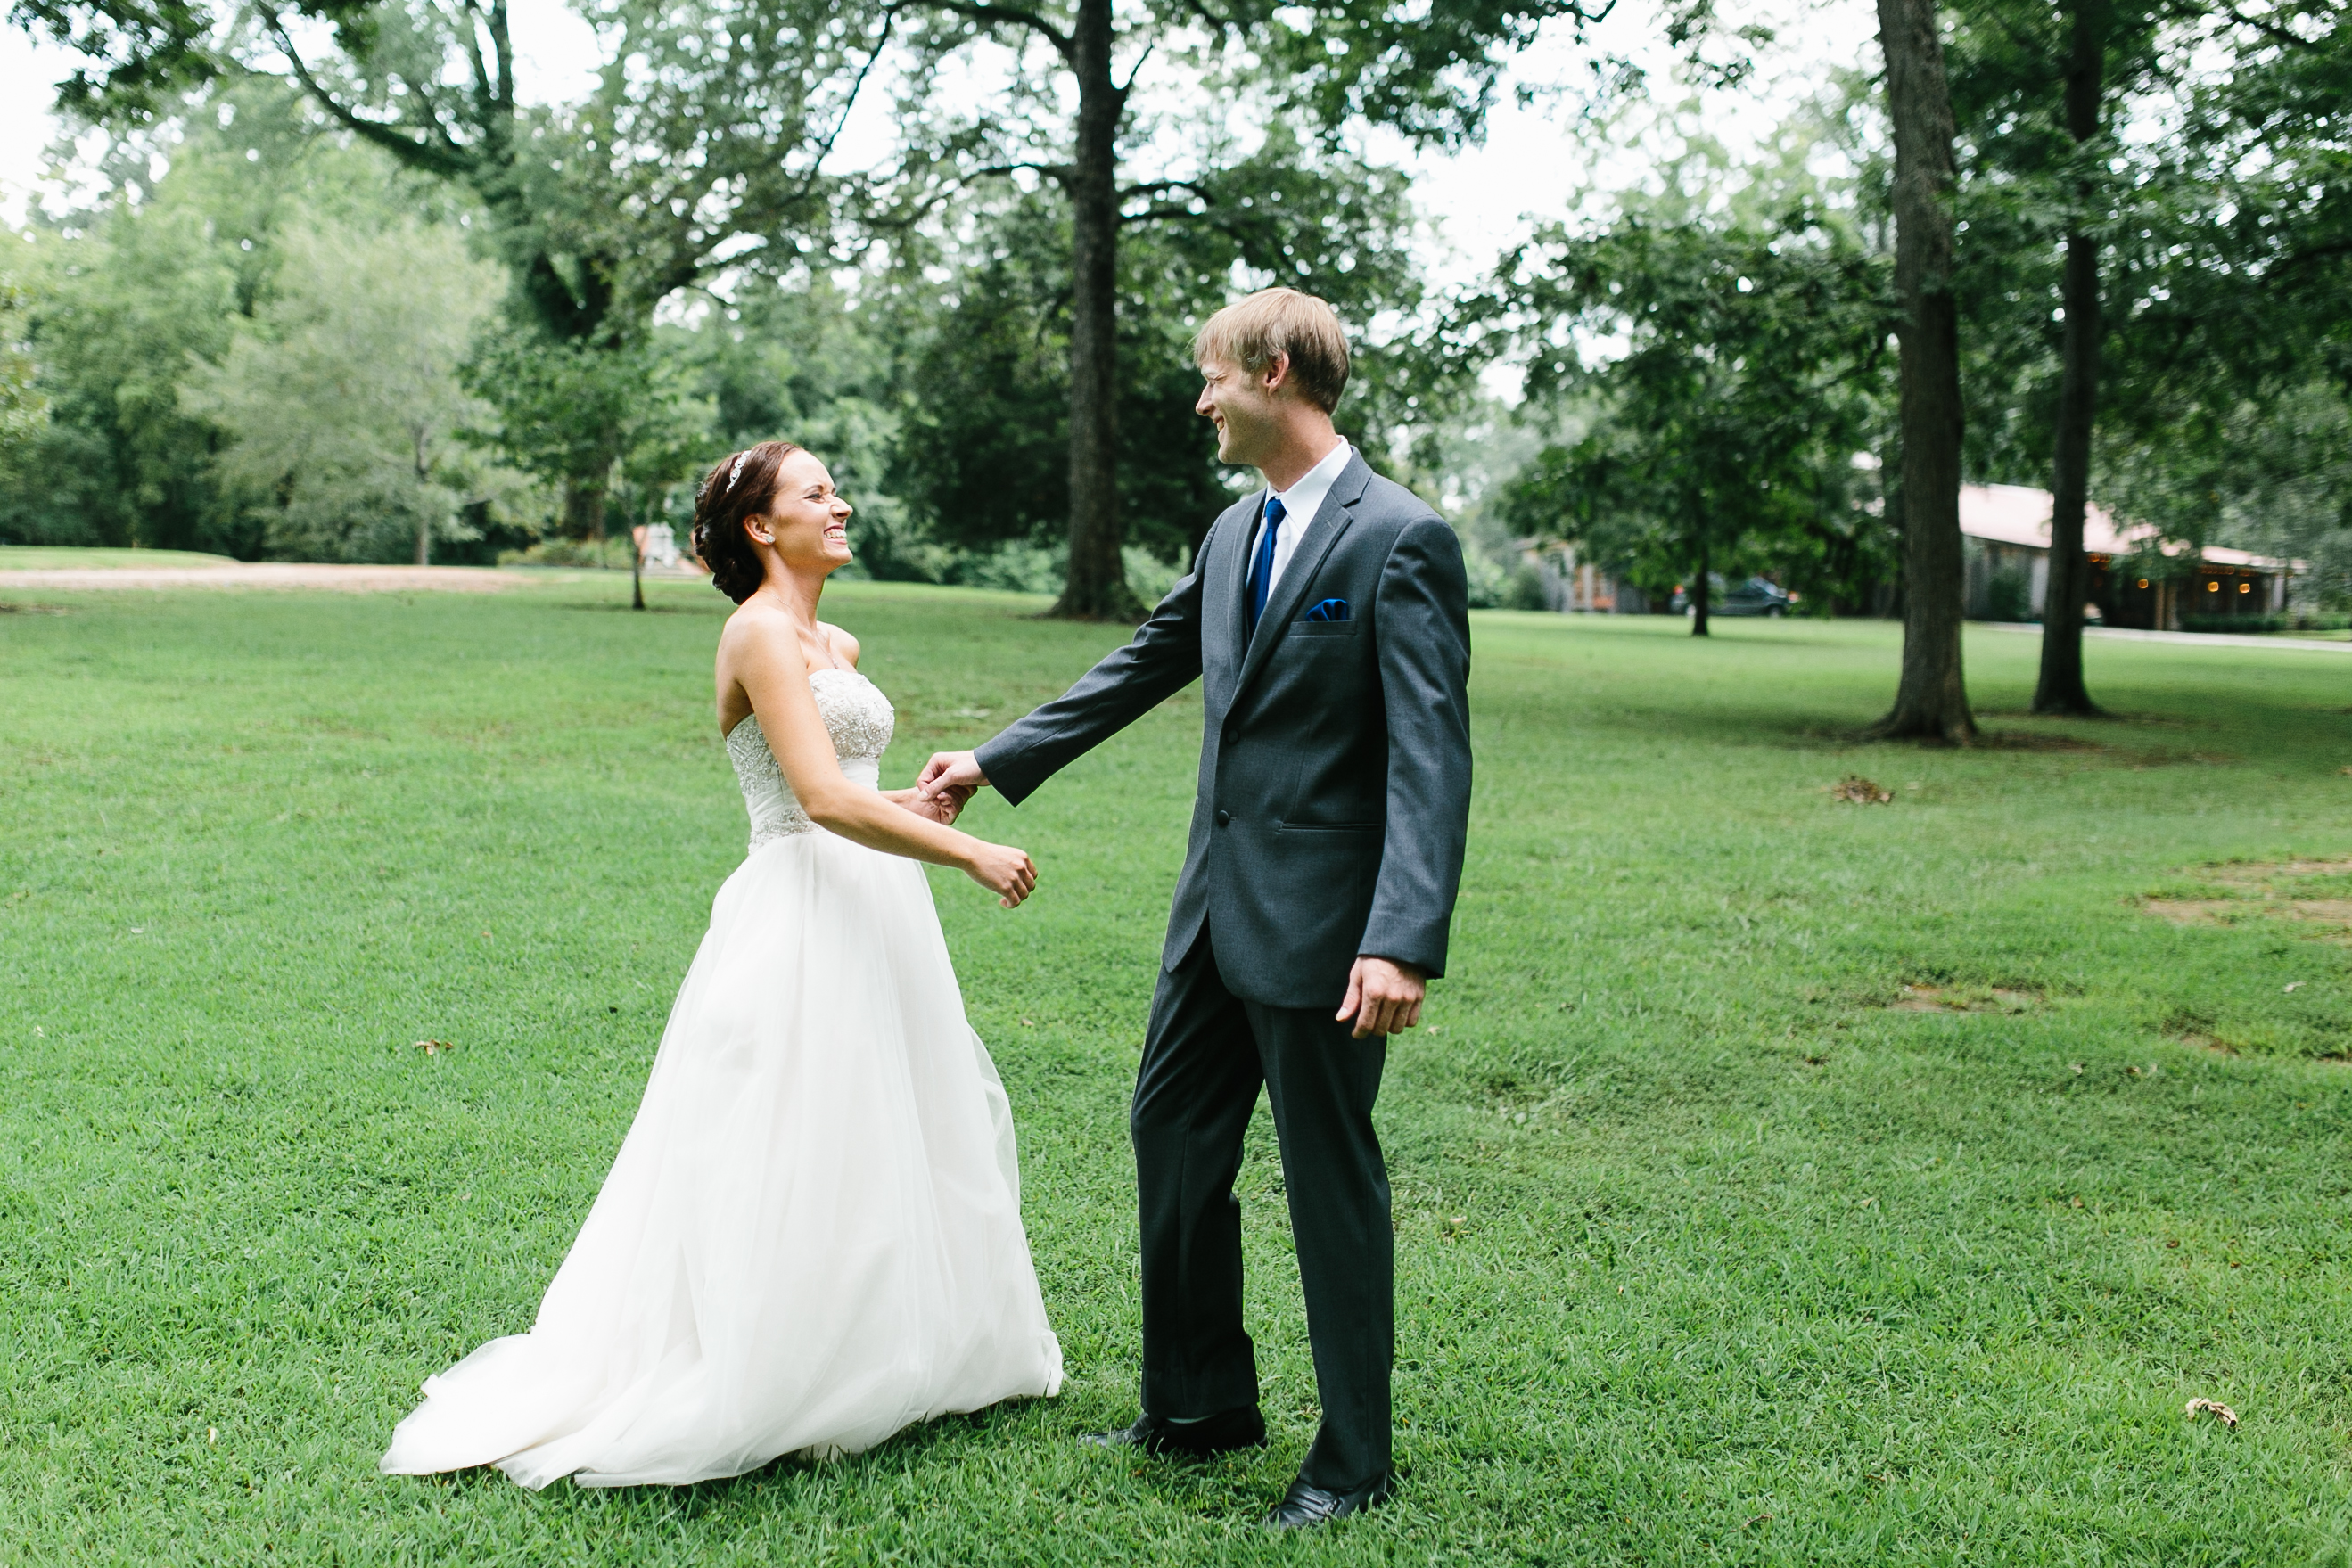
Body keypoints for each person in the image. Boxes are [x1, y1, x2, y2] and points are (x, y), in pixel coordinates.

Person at [381, 441, 1062, 1489]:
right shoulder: (753, 633)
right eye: (816, 493)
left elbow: (854, 789)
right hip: (795, 903)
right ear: (760, 525)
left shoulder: (835, 635)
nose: (839, 505)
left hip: (874, 901)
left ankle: (894, 1348)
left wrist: (920, 810)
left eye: (834, 490)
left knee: (884, 1115)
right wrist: (970, 851)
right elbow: (819, 801)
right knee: (780, 1128)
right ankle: (770, 1364)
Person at [919, 287, 1472, 1530]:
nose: (1199, 399)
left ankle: (1351, 1456)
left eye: (1212, 376)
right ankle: (1197, 1402)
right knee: (1169, 1137)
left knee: (1329, 1177)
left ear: (1273, 372)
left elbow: (1431, 757)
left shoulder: (1400, 539)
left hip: (1331, 933)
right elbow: (1147, 655)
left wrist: (1400, 935)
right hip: (1211, 916)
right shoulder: (1236, 533)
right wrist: (998, 759)